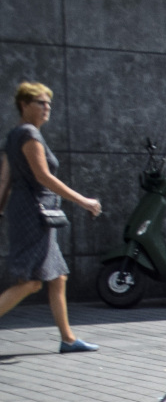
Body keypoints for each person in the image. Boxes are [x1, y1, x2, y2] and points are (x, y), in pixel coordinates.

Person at [0, 82, 103, 352]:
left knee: (57, 277)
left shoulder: (14, 135)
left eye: (49, 104)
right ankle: (67, 339)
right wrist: (84, 201)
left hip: (31, 212)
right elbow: (44, 177)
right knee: (31, 282)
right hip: (35, 212)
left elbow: (4, 179)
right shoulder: (30, 135)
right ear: (24, 105)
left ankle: (68, 339)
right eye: (40, 103)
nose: (47, 108)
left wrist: (1, 209)